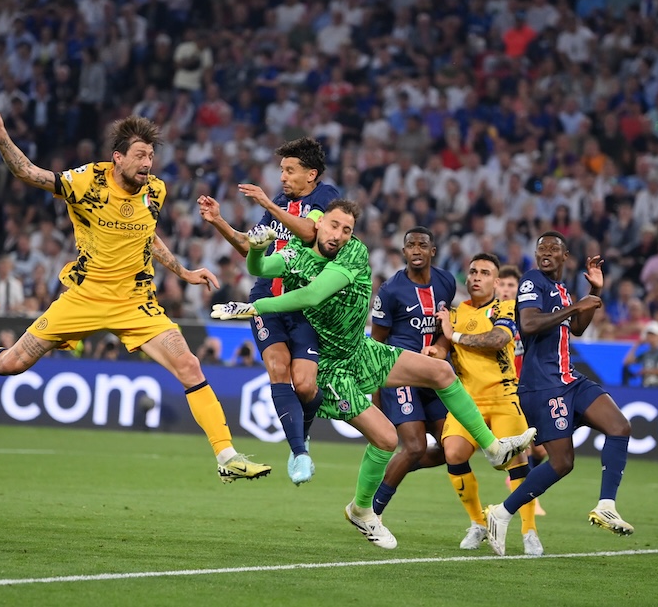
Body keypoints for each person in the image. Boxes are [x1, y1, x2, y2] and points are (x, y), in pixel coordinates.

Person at [0, 107, 271, 484]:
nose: (148, 163)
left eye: (151, 156)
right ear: (118, 158)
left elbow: (147, 234)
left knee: (190, 366)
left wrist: (182, 271)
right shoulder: (87, 181)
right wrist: (1, 136)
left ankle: (226, 455)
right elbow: (28, 173)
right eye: (140, 156)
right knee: (16, 362)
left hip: (136, 303)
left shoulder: (155, 191)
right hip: (84, 297)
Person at [211, 200, 536, 549]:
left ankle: (492, 449)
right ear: (318, 225)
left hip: (361, 351)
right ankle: (361, 510)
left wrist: (254, 307)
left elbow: (313, 294)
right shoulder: (295, 255)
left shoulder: (354, 254)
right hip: (331, 368)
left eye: (346, 229)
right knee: (386, 440)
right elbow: (262, 267)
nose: (339, 235)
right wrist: (258, 251)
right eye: (334, 225)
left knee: (441, 371)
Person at [198, 136, 339, 485]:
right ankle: (299, 452)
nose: (283, 177)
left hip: (304, 302)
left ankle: (300, 436)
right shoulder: (277, 202)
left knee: (305, 386)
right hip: (266, 299)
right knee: (278, 368)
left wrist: (270, 205)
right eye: (281, 170)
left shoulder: (325, 197)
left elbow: (311, 233)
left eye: (290, 171)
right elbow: (251, 244)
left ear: (312, 174)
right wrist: (219, 221)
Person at [484, 231, 634, 556]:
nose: (546, 253)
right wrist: (574, 307)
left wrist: (593, 291)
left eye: (554, 248)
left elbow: (577, 327)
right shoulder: (531, 281)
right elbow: (530, 323)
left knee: (620, 427)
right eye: (541, 249)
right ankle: (502, 512)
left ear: (566, 256)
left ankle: (606, 504)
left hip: (570, 379)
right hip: (543, 384)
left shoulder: (561, 290)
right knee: (563, 462)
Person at [427, 253, 543, 556]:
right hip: (466, 398)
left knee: (517, 463)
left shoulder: (506, 307)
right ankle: (478, 522)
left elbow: (495, 340)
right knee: (452, 452)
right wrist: (436, 350)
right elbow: (443, 344)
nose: (477, 277)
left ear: (495, 281)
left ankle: (529, 530)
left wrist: (455, 335)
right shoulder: (453, 312)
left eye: (485, 273)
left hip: (504, 396)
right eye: (473, 271)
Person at [368, 227, 455, 517]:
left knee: (451, 449)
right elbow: (377, 343)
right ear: (403, 252)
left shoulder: (446, 282)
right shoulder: (391, 291)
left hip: (434, 379)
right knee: (415, 447)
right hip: (401, 376)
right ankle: (372, 510)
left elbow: (446, 325)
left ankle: (398, 465)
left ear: (433, 251)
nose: (416, 250)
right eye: (410, 246)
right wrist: (374, 393)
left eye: (422, 245)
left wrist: (442, 347)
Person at [497, 265, 547, 516]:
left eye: (510, 286)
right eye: (502, 285)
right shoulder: (491, 316)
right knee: (525, 449)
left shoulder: (525, 318)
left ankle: (521, 487)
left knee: (541, 449)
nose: (506, 290)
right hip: (501, 393)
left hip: (526, 388)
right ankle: (528, 500)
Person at [622, 320, 658, 387]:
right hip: (645, 386)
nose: (651, 337)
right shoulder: (646, 354)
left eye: (653, 335)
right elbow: (627, 362)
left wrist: (645, 371)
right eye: (649, 335)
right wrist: (636, 345)